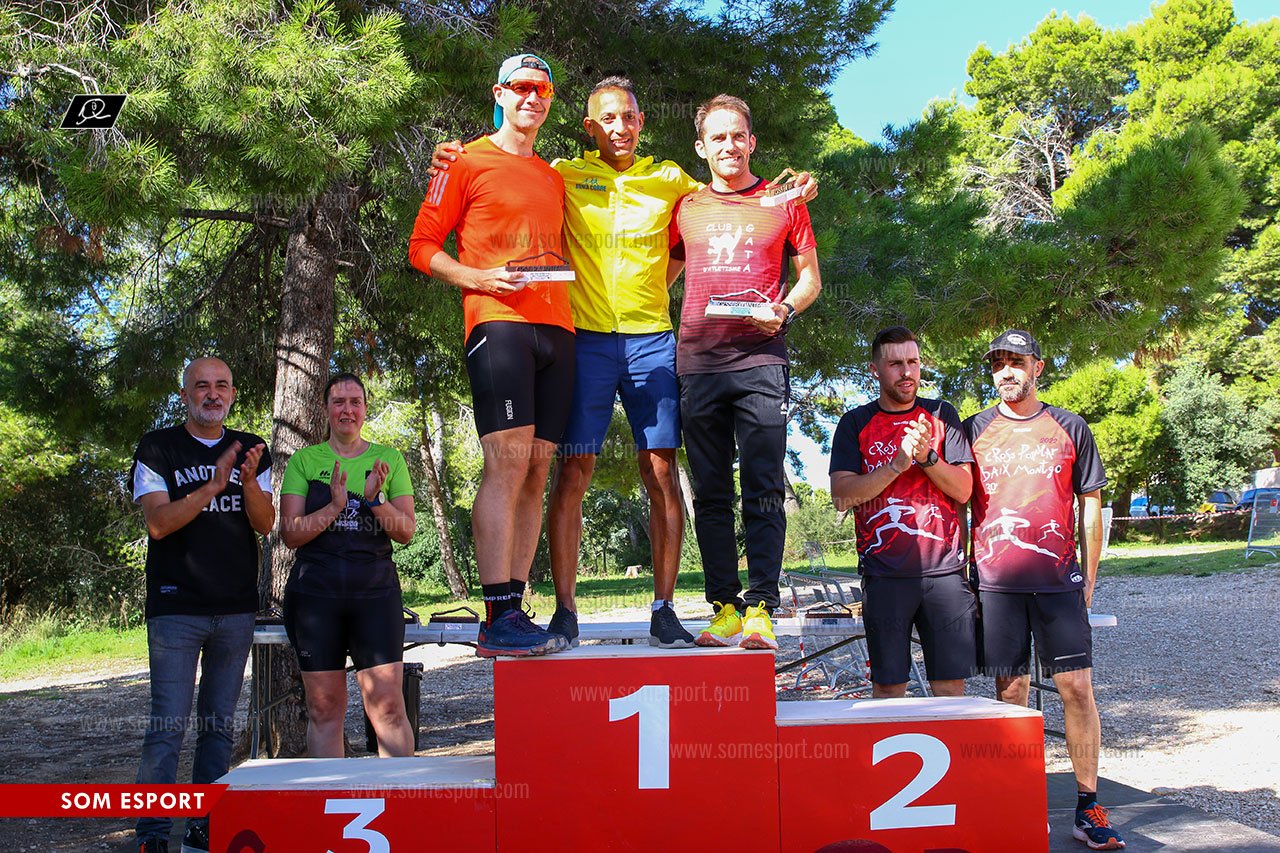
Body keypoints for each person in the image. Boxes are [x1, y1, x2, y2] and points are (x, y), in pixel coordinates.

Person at [430, 77, 817, 649]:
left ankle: (665, 607)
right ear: (590, 127)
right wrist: (456, 156)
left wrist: (794, 192)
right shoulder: (560, 173)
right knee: (573, 473)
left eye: (629, 117)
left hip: (653, 344)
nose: (620, 127)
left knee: (661, 471)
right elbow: (512, 158)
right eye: (607, 118)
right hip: (584, 344)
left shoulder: (670, 180)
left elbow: (730, 191)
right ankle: (564, 610)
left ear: (641, 122)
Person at [408, 53, 572, 656]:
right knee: (505, 462)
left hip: (560, 330)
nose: (533, 98)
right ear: (499, 92)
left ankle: (515, 610)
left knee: (536, 468)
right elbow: (422, 246)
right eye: (522, 87)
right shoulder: (464, 159)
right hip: (498, 324)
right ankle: (495, 612)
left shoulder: (554, 176)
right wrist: (477, 277)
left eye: (543, 90)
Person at [669, 94, 822, 649]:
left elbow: (809, 280)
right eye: (718, 137)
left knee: (763, 487)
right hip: (698, 364)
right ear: (701, 146)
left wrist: (784, 308)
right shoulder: (684, 205)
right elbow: (659, 277)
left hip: (761, 361)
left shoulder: (785, 201)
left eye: (738, 136)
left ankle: (760, 609)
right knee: (709, 493)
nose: (729, 146)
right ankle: (724, 610)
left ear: (752, 141)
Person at [964, 329, 1125, 851]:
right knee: (1010, 695)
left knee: (1075, 689)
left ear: (1038, 367)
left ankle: (1087, 805)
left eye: (1017, 361)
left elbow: (1091, 502)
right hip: (997, 585)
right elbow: (959, 502)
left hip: (1058, 582)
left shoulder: (1070, 426)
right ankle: (1019, 796)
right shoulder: (973, 430)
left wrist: (1091, 579)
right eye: (998, 363)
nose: (1006, 371)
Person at [130, 357, 274, 853]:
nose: (212, 394)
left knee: (218, 726)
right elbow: (158, 523)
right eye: (201, 386)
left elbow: (264, 523)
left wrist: (247, 481)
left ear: (232, 393)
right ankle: (151, 834)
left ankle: (205, 825)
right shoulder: (158, 447)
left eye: (221, 386)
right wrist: (213, 485)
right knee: (167, 726)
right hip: (175, 609)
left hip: (234, 608)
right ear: (185, 392)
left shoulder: (255, 448)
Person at [829, 326, 977, 698]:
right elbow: (842, 496)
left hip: (945, 574)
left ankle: (950, 757)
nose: (907, 372)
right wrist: (896, 465)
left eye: (913, 362)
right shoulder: (855, 423)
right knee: (889, 685)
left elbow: (963, 489)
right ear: (874, 369)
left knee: (949, 687)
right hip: (885, 574)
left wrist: (927, 457)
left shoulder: (941, 414)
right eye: (895, 364)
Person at [279, 373, 417, 758]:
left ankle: (401, 806)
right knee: (324, 709)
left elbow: (405, 531)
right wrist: (334, 507)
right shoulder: (305, 461)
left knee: (388, 707)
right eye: (338, 402)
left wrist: (375, 500)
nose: (347, 410)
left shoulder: (388, 459)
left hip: (375, 596)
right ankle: (329, 803)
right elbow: (291, 533)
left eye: (355, 402)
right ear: (326, 409)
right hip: (315, 598)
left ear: (365, 409)